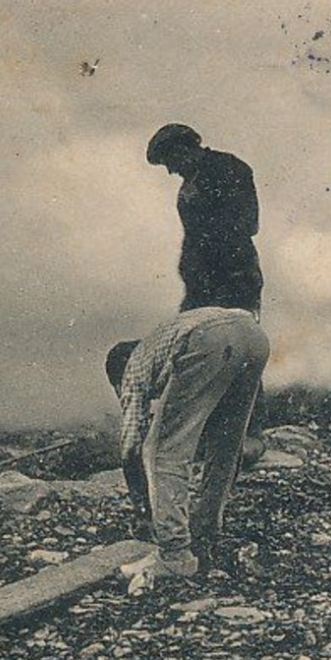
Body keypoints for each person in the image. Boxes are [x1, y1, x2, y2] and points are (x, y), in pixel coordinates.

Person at [105, 306, 269, 590]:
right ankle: (205, 531)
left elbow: (132, 446)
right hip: (252, 334)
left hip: (208, 339)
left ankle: (175, 554)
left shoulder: (133, 367)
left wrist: (143, 509)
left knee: (161, 453)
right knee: (226, 444)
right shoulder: (159, 348)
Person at [146, 123, 267, 456]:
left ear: (187, 148)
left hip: (234, 278)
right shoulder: (188, 186)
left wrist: (209, 251)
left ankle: (251, 433)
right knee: (198, 353)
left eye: (170, 160)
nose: (170, 170)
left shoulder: (230, 169)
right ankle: (212, 432)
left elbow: (247, 224)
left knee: (241, 351)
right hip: (201, 286)